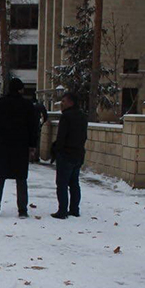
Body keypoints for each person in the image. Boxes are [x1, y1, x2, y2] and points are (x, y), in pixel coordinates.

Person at [0, 77, 38, 217]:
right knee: (21, 179)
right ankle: (22, 210)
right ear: (20, 89)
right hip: (21, 146)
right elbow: (33, 127)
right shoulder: (27, 105)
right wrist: (32, 145)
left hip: (2, 145)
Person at [50, 90, 88, 219]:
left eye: (64, 101)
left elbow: (62, 137)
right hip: (78, 153)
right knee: (74, 183)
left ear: (71, 102)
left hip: (66, 154)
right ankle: (74, 209)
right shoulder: (82, 116)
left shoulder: (66, 117)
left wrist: (56, 150)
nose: (62, 103)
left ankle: (62, 210)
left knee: (62, 183)